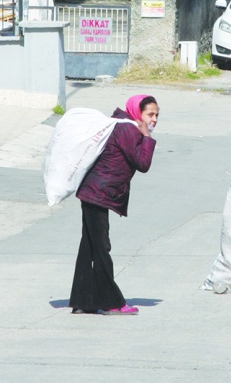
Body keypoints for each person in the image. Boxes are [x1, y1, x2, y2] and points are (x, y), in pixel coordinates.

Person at [69, 95, 159, 315]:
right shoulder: (127, 130)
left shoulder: (122, 125)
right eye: (150, 114)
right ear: (138, 113)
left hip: (93, 192)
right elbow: (143, 163)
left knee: (89, 247)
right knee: (101, 248)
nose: (154, 119)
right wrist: (147, 137)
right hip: (98, 193)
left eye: (156, 115)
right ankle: (112, 302)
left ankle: (83, 302)